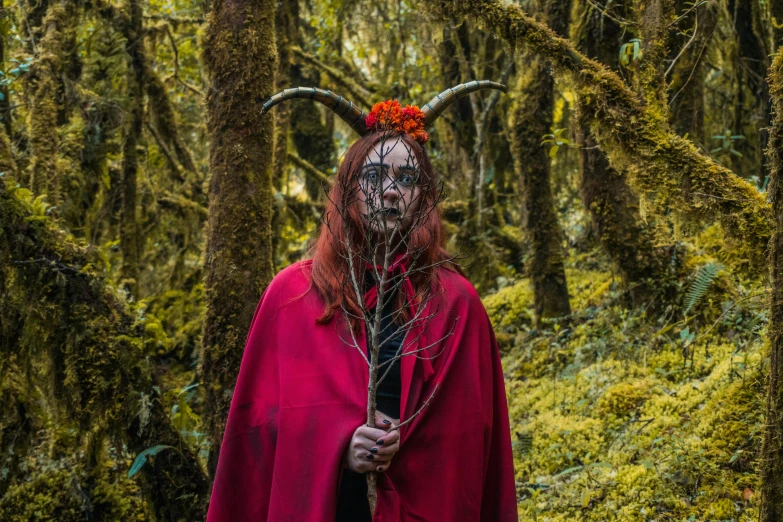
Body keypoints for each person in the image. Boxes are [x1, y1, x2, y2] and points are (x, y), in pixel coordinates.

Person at [206, 84, 518, 522]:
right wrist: (342, 447)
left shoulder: (456, 302)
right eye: (374, 177)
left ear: (423, 196)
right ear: (348, 190)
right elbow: (262, 430)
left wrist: (405, 443)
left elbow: (471, 438)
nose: (390, 192)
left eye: (406, 179)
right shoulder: (292, 295)